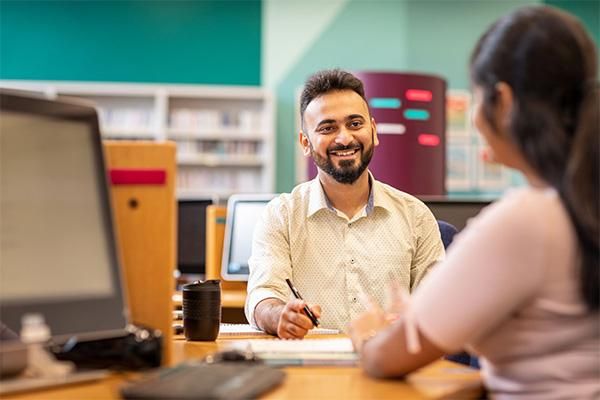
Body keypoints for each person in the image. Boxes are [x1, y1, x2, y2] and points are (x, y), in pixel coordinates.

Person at [349, 6, 599, 398]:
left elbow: (387, 358)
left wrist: (367, 334)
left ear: (503, 100)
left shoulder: (524, 220)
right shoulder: (576, 206)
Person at [245, 69, 445, 338]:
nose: (344, 138)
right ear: (305, 142)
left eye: (355, 124)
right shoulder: (281, 215)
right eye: (328, 128)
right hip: (312, 372)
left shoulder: (416, 216)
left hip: (393, 367)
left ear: (373, 132)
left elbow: (438, 308)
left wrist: (416, 319)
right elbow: (262, 294)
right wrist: (280, 315)